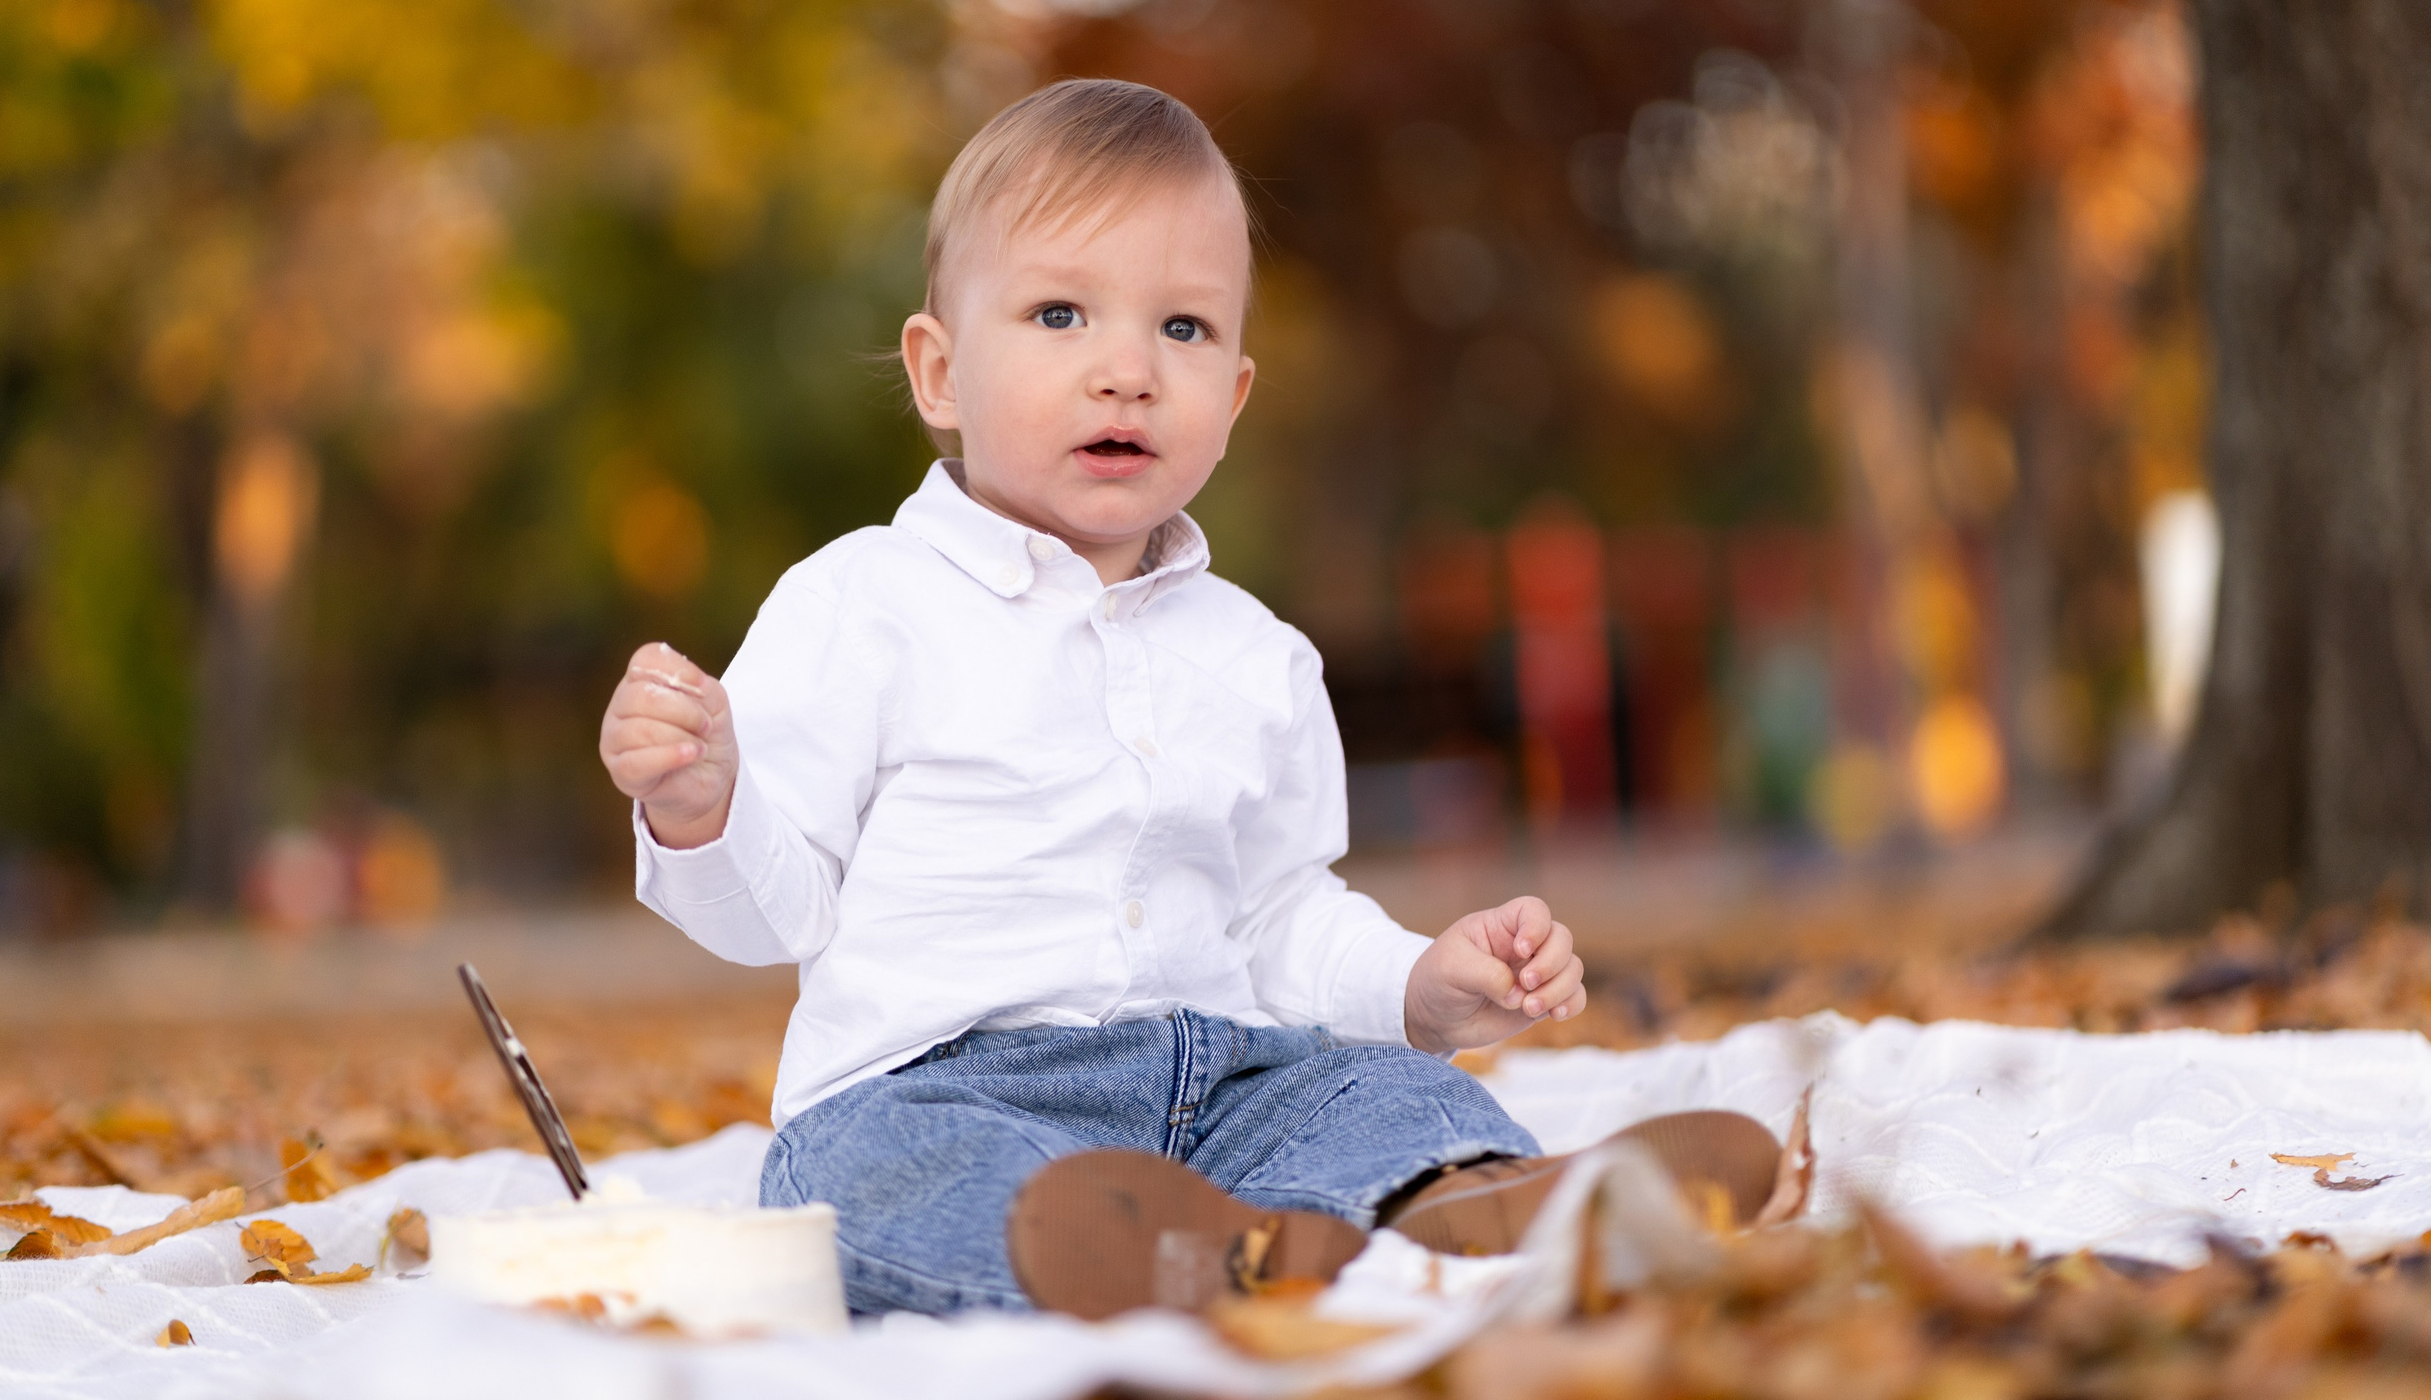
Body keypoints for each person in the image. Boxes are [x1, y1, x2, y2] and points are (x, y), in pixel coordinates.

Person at [596, 79, 1774, 1319]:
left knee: (1377, 1094)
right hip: (936, 1086)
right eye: (1060, 314)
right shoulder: (861, 604)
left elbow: (1277, 921)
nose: (1126, 372)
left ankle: (1472, 1201)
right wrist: (702, 806)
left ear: (1237, 396)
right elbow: (775, 913)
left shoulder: (1256, 655)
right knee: (885, 1179)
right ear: (939, 372)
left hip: (1218, 1089)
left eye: (1183, 330)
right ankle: (1146, 1254)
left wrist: (1421, 983)